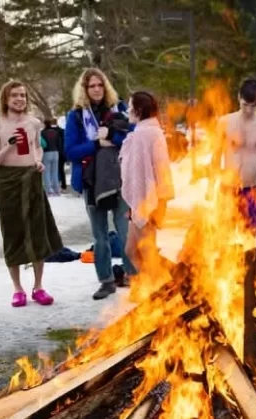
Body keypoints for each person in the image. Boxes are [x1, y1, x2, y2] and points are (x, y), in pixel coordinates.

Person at [0, 81, 62, 308]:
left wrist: (38, 160)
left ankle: (38, 286)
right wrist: (9, 146)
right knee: (13, 231)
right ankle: (17, 289)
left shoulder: (34, 123)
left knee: (38, 230)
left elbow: (37, 147)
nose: (20, 99)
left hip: (32, 177)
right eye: (15, 95)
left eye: (23, 95)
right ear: (5, 99)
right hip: (7, 181)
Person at [65, 67, 137, 300]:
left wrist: (111, 137)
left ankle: (133, 276)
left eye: (100, 85)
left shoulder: (120, 108)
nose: (96, 89)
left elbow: (132, 136)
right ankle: (106, 280)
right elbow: (71, 151)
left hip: (120, 177)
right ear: (85, 89)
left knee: (125, 231)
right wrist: (96, 144)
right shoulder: (76, 116)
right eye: (91, 86)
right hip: (91, 180)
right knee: (100, 235)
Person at [120, 91, 174, 280]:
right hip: (142, 200)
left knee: (146, 249)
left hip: (148, 199)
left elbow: (155, 169)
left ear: (139, 110)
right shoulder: (146, 132)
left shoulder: (145, 134)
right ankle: (151, 282)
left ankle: (159, 285)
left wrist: (159, 200)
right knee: (131, 249)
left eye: (130, 106)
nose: (127, 110)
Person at [213, 78, 256, 234]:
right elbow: (216, 157)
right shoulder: (224, 122)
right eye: (245, 105)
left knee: (249, 237)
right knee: (224, 237)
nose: (248, 110)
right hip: (228, 188)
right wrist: (211, 185)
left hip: (252, 189)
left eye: (253, 106)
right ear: (238, 98)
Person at [40, 118, 64, 196]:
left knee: (46, 172)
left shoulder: (42, 133)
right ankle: (57, 190)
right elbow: (59, 143)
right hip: (56, 152)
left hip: (47, 153)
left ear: (44, 124)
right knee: (55, 172)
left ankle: (49, 190)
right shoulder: (55, 132)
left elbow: (42, 144)